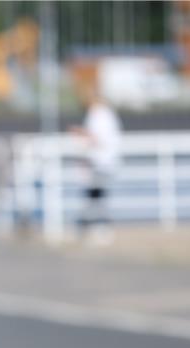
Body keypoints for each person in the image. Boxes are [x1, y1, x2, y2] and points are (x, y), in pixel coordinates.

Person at [70, 86, 122, 245]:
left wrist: (81, 133)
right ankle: (93, 228)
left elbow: (99, 139)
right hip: (100, 161)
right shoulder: (102, 114)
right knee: (96, 196)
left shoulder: (100, 115)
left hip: (101, 161)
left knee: (96, 196)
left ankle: (98, 229)